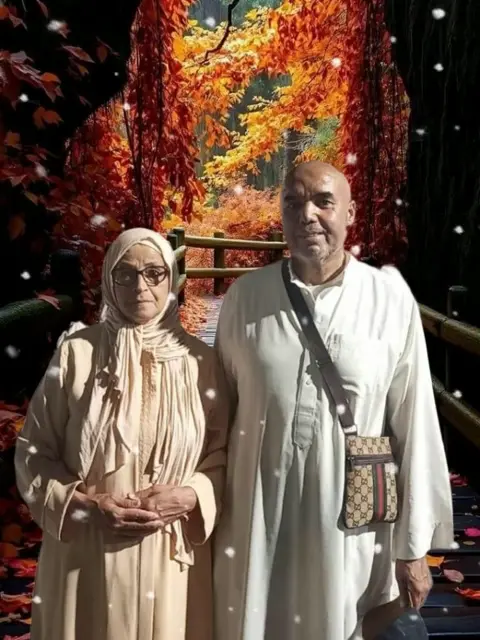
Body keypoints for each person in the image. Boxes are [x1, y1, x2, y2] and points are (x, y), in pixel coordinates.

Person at [213, 161, 453, 640]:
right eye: (293, 203)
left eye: (323, 201)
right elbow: (216, 418)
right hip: (258, 522)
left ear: (350, 212)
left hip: (349, 529)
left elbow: (415, 426)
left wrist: (412, 547)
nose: (307, 215)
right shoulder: (245, 299)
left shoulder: (389, 301)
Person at [15, 228, 230, 640]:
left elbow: (224, 455)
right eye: (125, 274)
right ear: (109, 280)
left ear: (171, 279)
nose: (140, 286)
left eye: (154, 273)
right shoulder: (77, 354)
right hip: (88, 551)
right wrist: (85, 506)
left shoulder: (201, 362)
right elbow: (34, 453)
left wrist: (191, 495)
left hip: (170, 556)